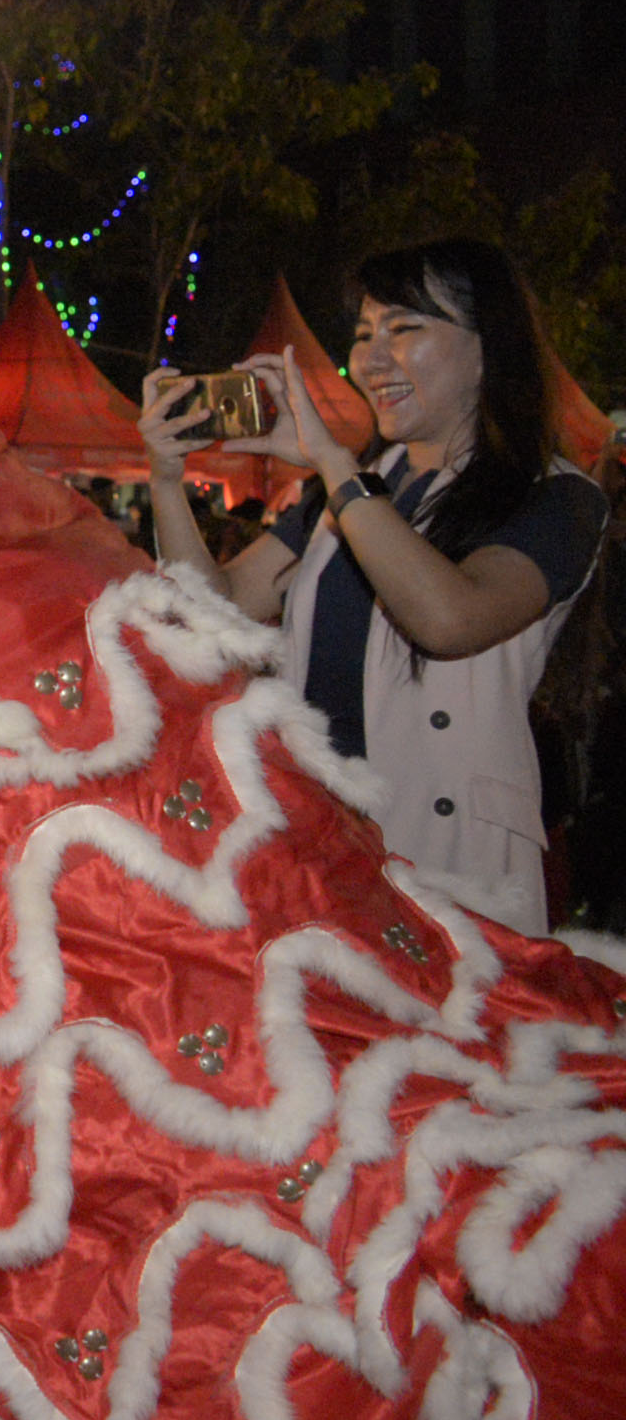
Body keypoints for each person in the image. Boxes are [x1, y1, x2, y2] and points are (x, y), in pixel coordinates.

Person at [140, 238, 606, 930]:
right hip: (321, 838)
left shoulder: (556, 499)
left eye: (405, 329)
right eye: (363, 335)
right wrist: (167, 480)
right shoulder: (356, 488)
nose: (371, 358)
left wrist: (334, 463)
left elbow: (450, 619)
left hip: (449, 860)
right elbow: (219, 608)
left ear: (487, 350)